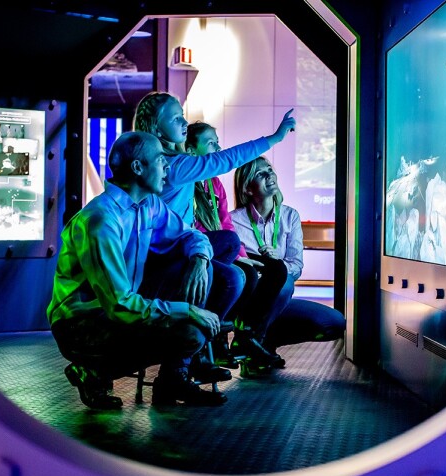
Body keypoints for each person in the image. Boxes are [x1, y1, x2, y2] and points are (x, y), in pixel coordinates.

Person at [47, 131, 227, 410]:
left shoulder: (149, 204)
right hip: (80, 326)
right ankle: (93, 370)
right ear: (137, 167)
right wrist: (189, 311)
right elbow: (119, 305)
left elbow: (191, 235)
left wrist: (199, 261)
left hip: (118, 309)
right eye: (160, 159)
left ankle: (171, 379)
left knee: (201, 270)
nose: (167, 166)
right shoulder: (100, 221)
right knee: (189, 333)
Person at [132, 91, 296, 371]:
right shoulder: (175, 165)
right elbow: (226, 160)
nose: (183, 122)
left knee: (234, 267)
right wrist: (274, 138)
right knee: (232, 254)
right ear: (157, 128)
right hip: (166, 256)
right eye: (176, 118)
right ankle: (196, 353)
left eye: (182, 115)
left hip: (178, 247)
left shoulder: (176, 164)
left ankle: (205, 349)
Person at [185, 122, 287, 373]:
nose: (218, 147)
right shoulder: (185, 183)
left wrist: (241, 256)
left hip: (222, 247)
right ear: (190, 150)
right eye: (211, 142)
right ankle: (218, 341)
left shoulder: (214, 183)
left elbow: (225, 223)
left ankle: (245, 337)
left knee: (275, 268)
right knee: (247, 275)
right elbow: (191, 228)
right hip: (198, 250)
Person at [230, 156, 346, 366]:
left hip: (278, 301)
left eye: (269, 169)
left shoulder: (290, 216)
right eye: (260, 173)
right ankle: (252, 339)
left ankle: (257, 341)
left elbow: (296, 266)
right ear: (247, 189)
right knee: (283, 281)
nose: (269, 175)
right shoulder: (232, 221)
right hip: (249, 304)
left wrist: (278, 264)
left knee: (335, 322)